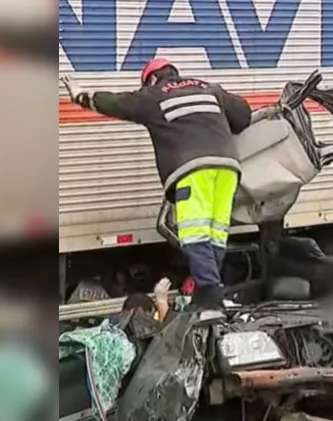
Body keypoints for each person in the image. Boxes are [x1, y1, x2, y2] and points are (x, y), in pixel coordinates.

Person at [60, 60, 252, 309]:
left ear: (151, 78)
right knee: (216, 233)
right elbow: (243, 116)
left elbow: (117, 103)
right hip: (228, 167)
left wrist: (82, 97)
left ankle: (210, 295)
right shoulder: (209, 89)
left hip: (192, 169)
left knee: (195, 234)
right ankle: (208, 292)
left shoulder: (153, 95)